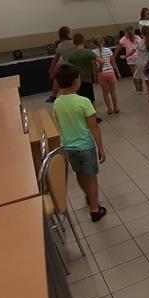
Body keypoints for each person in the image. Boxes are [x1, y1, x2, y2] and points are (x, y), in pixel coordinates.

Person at [52, 64, 107, 222]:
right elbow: (94, 127)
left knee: (80, 174)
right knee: (92, 178)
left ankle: (89, 196)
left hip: (68, 147)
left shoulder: (57, 103)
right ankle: (95, 210)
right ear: (76, 82)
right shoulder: (84, 101)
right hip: (85, 146)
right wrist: (100, 148)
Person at [67, 33, 103, 112]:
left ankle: (82, 114)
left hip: (76, 80)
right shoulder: (88, 52)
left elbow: (68, 67)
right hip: (87, 79)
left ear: (74, 42)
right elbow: (101, 61)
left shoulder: (71, 55)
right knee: (91, 99)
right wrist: (99, 69)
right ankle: (93, 115)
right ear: (83, 41)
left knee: (80, 99)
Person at [91, 37, 120, 115]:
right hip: (110, 73)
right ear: (103, 42)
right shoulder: (108, 50)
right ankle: (116, 108)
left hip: (101, 74)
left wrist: (95, 77)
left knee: (105, 92)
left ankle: (109, 109)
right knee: (113, 91)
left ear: (93, 43)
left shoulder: (93, 53)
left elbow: (93, 66)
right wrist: (118, 72)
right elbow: (113, 62)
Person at [47, 26, 75, 102]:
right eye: (71, 32)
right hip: (75, 66)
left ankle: (53, 96)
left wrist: (51, 69)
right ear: (68, 34)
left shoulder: (60, 45)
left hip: (66, 67)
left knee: (57, 78)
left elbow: (55, 59)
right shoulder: (74, 43)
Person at [113, 25, 141, 92]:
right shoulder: (138, 37)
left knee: (134, 74)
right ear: (133, 30)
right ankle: (141, 88)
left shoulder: (123, 39)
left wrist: (113, 56)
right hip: (138, 57)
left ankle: (137, 89)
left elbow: (118, 48)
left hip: (130, 58)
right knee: (139, 74)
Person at [133, 26, 149, 94]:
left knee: (139, 76)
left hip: (141, 62)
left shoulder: (139, 42)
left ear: (141, 33)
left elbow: (133, 50)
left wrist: (126, 56)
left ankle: (140, 90)